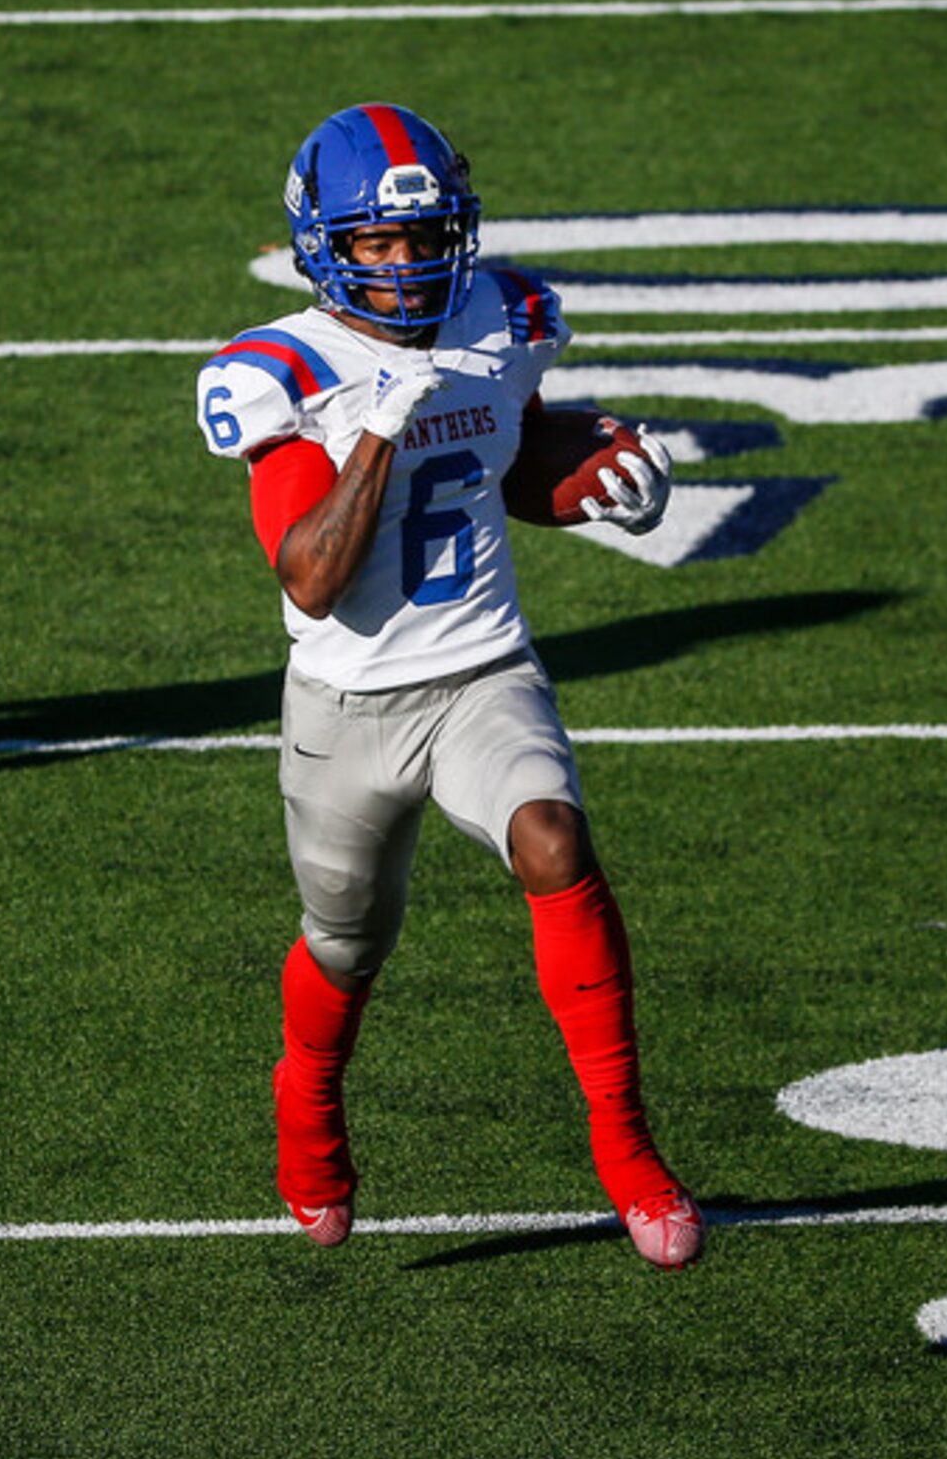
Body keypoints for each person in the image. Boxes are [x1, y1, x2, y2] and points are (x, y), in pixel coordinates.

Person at [192, 103, 701, 1267]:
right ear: (324, 242)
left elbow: (505, 465)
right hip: (345, 707)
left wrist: (600, 484)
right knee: (343, 944)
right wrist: (377, 424)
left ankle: (626, 1153)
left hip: (480, 670)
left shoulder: (502, 316)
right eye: (376, 242)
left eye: (424, 239)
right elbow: (311, 577)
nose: (407, 262)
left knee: (553, 842)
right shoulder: (281, 371)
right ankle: (308, 1112)